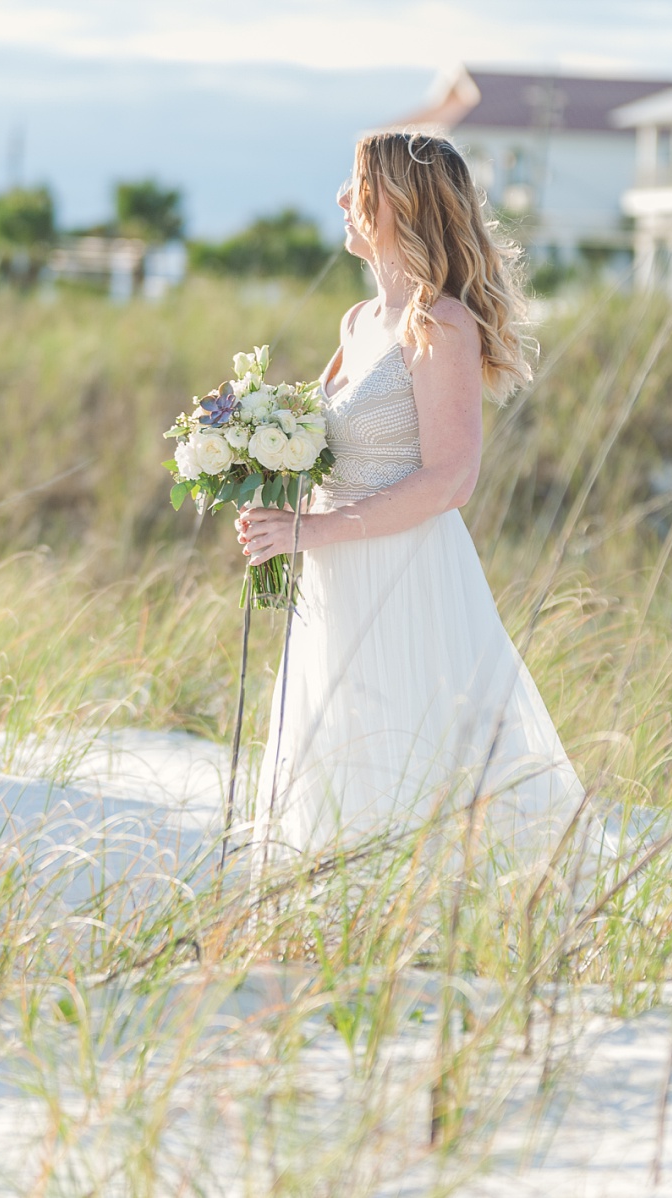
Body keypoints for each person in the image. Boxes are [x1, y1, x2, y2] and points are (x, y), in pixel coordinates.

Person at [236, 131, 582, 859]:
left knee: (412, 747)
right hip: (334, 578)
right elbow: (330, 445)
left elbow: (452, 479)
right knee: (338, 744)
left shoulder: (441, 324)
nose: (338, 199)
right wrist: (254, 464)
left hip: (406, 576)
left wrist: (311, 534)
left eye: (354, 186)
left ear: (395, 204)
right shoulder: (356, 323)